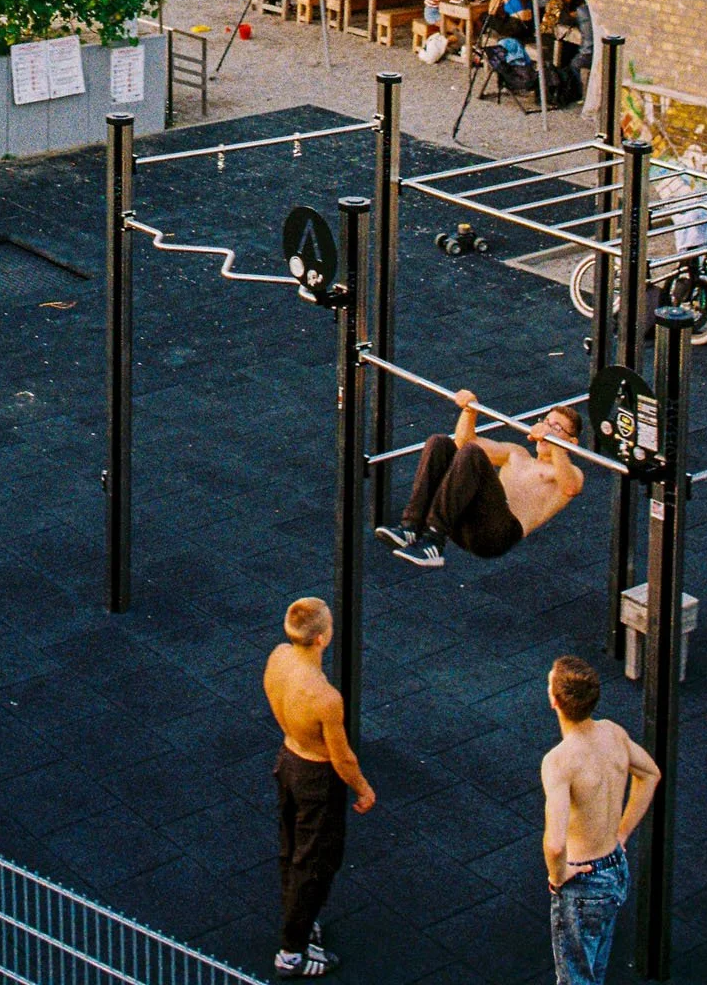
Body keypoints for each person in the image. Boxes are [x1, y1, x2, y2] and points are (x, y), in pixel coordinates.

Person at [263, 597, 374, 978]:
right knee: (317, 863)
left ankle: (300, 918)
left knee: (292, 847)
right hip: (316, 776)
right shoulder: (326, 699)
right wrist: (363, 790)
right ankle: (291, 953)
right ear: (323, 639)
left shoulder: (278, 658)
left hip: (287, 759)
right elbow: (342, 758)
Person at [541, 656, 659, 985]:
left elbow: (554, 843)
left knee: (576, 978)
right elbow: (650, 774)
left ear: (555, 700)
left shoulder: (560, 762)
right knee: (596, 968)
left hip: (584, 880)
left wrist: (559, 874)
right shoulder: (614, 733)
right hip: (615, 867)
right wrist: (621, 834)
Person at [377, 388, 584, 568]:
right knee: (439, 443)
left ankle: (434, 539)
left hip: (496, 535)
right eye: (546, 422)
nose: (547, 428)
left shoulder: (567, 472)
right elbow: (464, 442)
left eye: (556, 428)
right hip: (467, 523)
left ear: (572, 442)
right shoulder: (517, 453)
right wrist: (469, 410)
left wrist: (555, 444)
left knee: (473, 455)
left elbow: (571, 488)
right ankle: (411, 526)